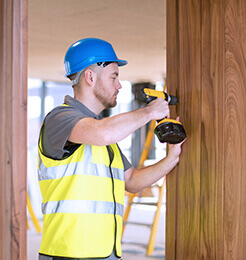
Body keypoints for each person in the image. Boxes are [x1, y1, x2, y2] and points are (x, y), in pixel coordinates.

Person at [37, 38, 184, 260]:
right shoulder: (60, 118)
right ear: (90, 77)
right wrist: (148, 113)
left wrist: (172, 158)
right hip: (68, 253)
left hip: (106, 252)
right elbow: (102, 132)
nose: (119, 85)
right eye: (114, 77)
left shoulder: (105, 139)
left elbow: (132, 181)